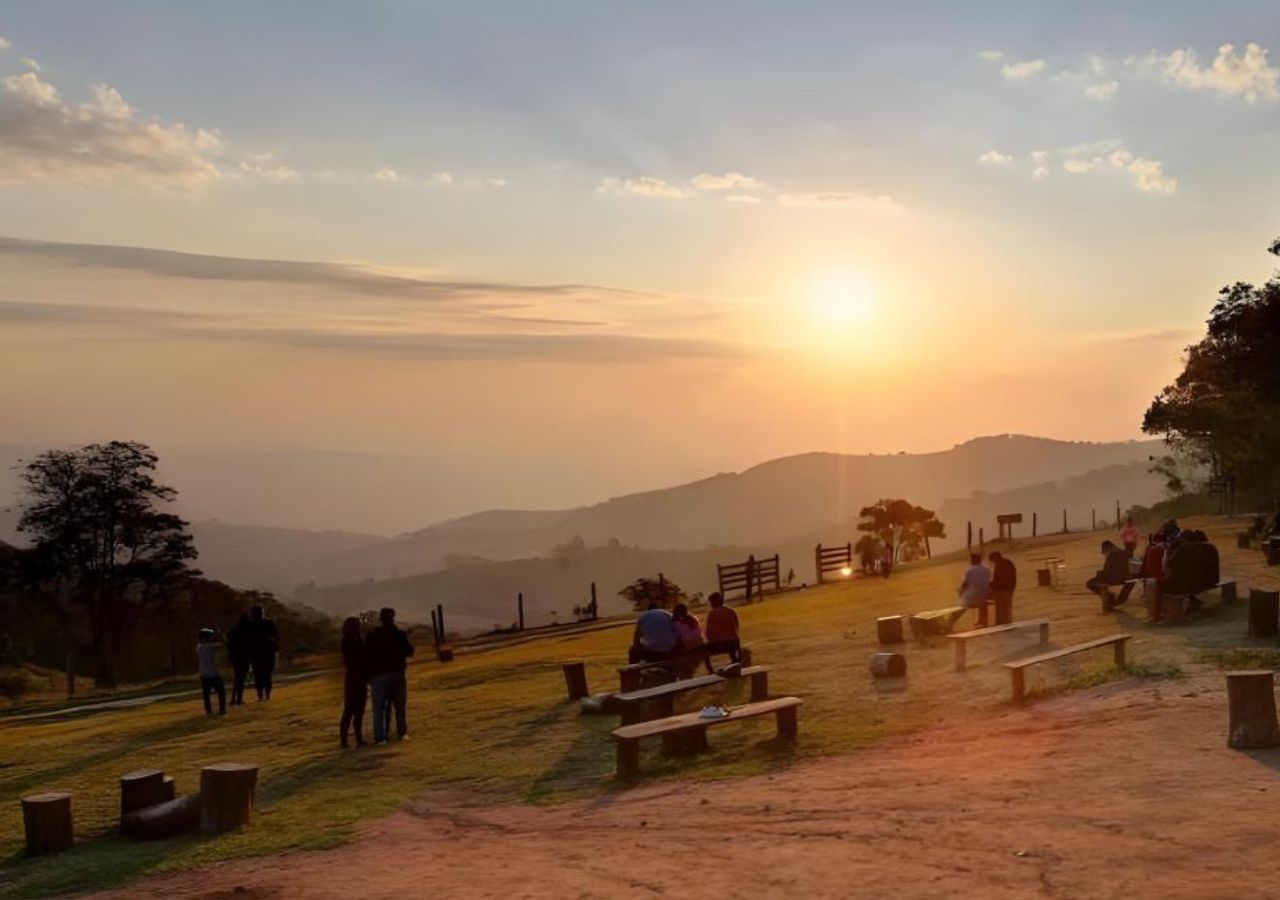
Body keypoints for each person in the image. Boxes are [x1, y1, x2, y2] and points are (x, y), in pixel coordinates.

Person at [365, 607, 414, 744]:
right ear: (392, 618)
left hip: (378, 676)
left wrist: (368, 676)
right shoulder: (399, 634)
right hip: (397, 674)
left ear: (381, 619)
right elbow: (410, 651)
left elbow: (366, 656)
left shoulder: (373, 635)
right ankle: (402, 732)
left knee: (379, 709)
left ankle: (380, 737)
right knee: (399, 706)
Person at [339, 617, 367, 749]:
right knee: (351, 710)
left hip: (356, 677)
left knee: (357, 711)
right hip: (355, 677)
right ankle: (347, 740)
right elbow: (352, 660)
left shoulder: (355, 639)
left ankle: (356, 739)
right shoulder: (349, 641)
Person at [1087, 540, 1133, 609]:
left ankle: (1110, 598)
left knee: (1090, 583)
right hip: (1127, 578)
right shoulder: (1127, 553)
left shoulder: (1110, 555)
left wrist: (1099, 574)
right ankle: (1117, 599)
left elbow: (1107, 571)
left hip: (1114, 579)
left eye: (1104, 552)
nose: (1105, 555)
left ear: (1106, 549)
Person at [248, 604, 280, 701]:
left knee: (260, 676)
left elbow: (276, 638)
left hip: (260, 654)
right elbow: (276, 638)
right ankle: (265, 696)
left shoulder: (252, 626)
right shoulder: (268, 623)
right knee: (265, 676)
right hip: (264, 654)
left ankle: (262, 696)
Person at [704, 592, 741, 664]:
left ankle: (710, 670)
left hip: (719, 645)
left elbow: (709, 632)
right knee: (731, 638)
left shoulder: (712, 614)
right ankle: (734, 659)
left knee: (703, 650)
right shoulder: (731, 611)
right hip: (733, 642)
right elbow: (736, 626)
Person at [197, 627, 227, 716]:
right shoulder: (210, 647)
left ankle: (208, 710)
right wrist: (221, 635)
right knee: (221, 692)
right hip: (213, 674)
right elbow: (223, 644)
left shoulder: (199, 647)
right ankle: (222, 709)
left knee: (206, 694)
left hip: (204, 674)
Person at [958, 553, 992, 627]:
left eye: (971, 560)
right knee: (983, 601)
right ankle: (983, 621)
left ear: (974, 560)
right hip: (985, 595)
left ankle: (949, 624)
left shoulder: (969, 570)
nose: (970, 561)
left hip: (973, 597)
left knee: (961, 603)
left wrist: (960, 592)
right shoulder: (987, 570)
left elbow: (964, 584)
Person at [226, 613, 252, 706]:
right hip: (244, 657)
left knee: (237, 678)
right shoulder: (247, 632)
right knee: (241, 679)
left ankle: (234, 698)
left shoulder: (233, 631)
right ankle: (239, 699)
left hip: (235, 658)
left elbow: (228, 644)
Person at [987, 551, 1017, 625]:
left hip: (1002, 589)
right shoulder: (1007, 562)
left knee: (1001, 608)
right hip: (1009, 588)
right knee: (1006, 608)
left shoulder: (1001, 564)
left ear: (995, 557)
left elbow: (998, 579)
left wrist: (990, 585)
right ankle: (1006, 622)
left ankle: (1001, 623)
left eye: (991, 560)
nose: (992, 562)